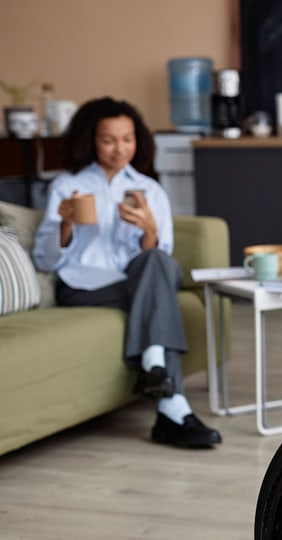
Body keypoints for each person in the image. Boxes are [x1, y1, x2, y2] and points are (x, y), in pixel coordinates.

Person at [32, 97, 221, 448]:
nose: (120, 149)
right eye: (108, 140)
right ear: (90, 140)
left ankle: (159, 375)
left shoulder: (149, 190)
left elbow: (158, 260)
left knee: (157, 263)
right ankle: (171, 406)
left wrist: (149, 231)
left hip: (132, 284)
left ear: (139, 140)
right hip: (82, 286)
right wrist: (66, 224)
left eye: (128, 138)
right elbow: (45, 261)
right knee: (161, 295)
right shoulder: (67, 186)